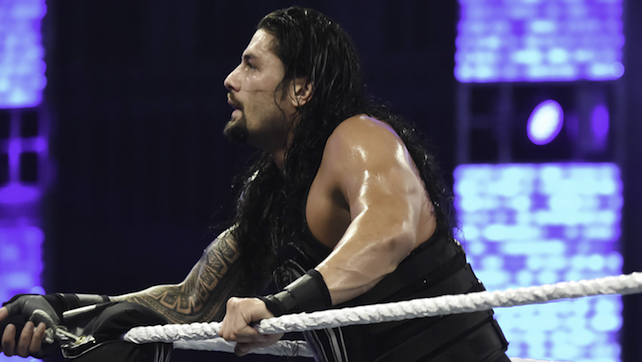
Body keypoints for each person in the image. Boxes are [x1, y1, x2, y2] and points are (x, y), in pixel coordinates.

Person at [1, 6, 509, 362]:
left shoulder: (358, 138)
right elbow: (185, 303)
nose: (230, 79)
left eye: (251, 64)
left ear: (302, 89)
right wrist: (61, 312)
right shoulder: (271, 201)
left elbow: (388, 230)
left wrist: (282, 308)